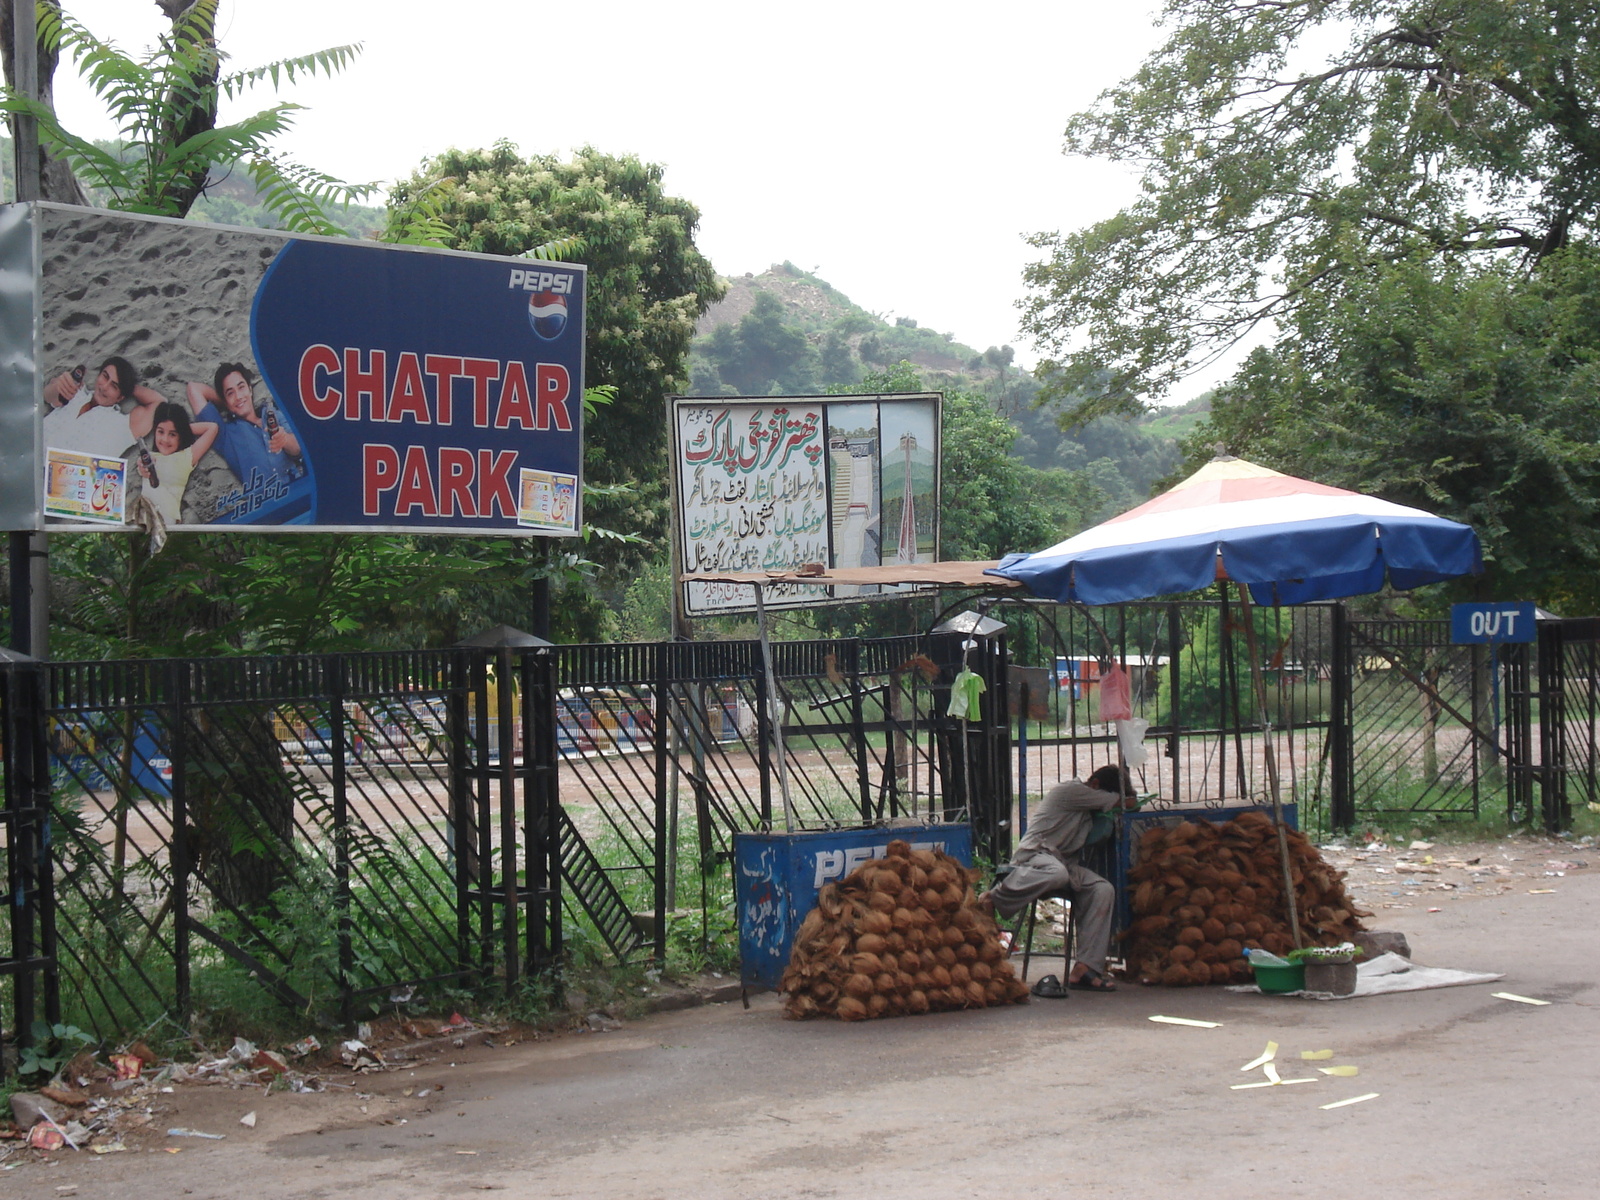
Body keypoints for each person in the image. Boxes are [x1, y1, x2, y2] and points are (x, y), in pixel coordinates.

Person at [978, 763, 1138, 993]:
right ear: (1094, 785)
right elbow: (1127, 803)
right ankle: (994, 898)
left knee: (1102, 889)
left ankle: (1085, 968)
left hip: (1063, 863)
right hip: (1035, 856)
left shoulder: (1090, 806)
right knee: (1057, 873)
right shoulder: (1071, 791)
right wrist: (1125, 798)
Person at [185, 362, 304, 515]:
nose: (238, 395)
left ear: (250, 389)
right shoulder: (225, 434)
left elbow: (297, 448)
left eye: (241, 387)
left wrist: (284, 439)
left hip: (299, 491)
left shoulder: (272, 414)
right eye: (230, 393)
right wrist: (231, 404)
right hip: (268, 508)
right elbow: (193, 389)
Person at [42, 356, 165, 457]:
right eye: (105, 376)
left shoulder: (122, 426)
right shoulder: (75, 392)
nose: (104, 387)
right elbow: (48, 395)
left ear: (120, 397)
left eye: (114, 386)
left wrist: (128, 386)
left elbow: (159, 402)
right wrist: (58, 385)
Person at [134, 401, 218, 526]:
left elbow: (212, 427)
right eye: (160, 432)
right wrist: (142, 467)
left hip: (166, 521)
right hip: (143, 519)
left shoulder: (187, 457)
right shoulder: (149, 457)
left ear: (180, 435)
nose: (165, 439)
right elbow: (142, 466)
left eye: (172, 434)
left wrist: (183, 427)